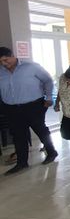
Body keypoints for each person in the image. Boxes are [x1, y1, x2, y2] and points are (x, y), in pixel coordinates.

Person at [0, 47, 58, 175]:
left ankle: (51, 152)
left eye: (5, 60)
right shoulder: (1, 72)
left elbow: (48, 80)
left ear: (12, 55)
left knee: (40, 130)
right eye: (1, 62)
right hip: (11, 108)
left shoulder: (31, 67)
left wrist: (49, 97)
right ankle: (22, 163)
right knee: (18, 135)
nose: (4, 64)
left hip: (33, 105)